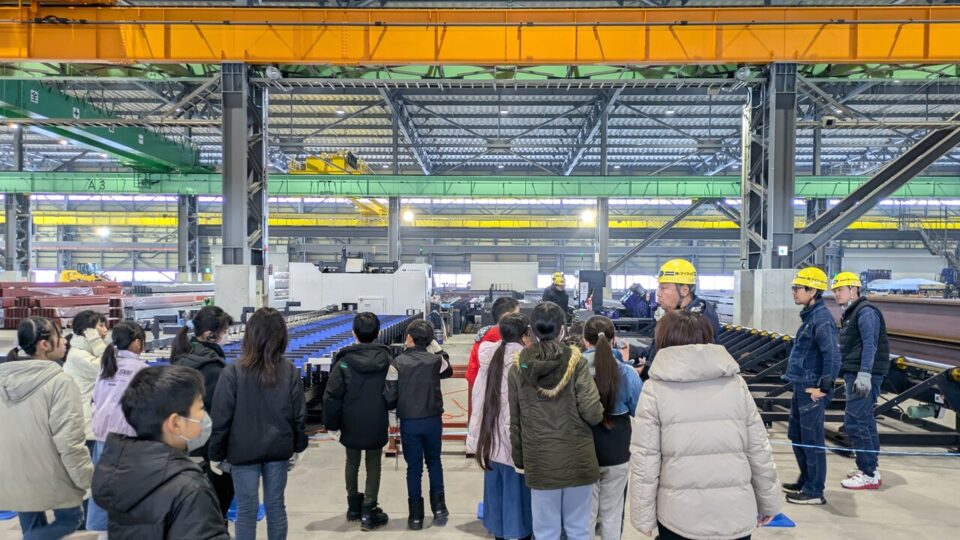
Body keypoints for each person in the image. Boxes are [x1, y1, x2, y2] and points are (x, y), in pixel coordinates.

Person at [629, 310, 781, 540]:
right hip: (735, 513)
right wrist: (769, 502)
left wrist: (643, 516)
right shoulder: (736, 384)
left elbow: (646, 459)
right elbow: (758, 449)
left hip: (679, 516)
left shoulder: (654, 389)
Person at [92, 365, 229, 539]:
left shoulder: (121, 473)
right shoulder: (190, 488)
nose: (204, 417)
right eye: (201, 409)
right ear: (176, 423)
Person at [209, 307, 309, 540]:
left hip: (242, 451)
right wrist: (299, 446)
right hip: (278, 449)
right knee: (276, 506)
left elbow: (221, 418)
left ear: (250, 335)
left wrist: (216, 453)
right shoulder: (288, 371)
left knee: (246, 509)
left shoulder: (233, 372)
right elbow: (298, 415)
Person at [508, 302, 604, 540]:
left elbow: (515, 422)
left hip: (539, 461)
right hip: (577, 459)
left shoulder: (518, 368)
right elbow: (593, 413)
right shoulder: (577, 363)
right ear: (562, 330)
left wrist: (520, 461)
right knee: (578, 530)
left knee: (545, 532)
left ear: (532, 330)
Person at [0, 317, 92, 539]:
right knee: (72, 518)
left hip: (12, 471)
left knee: (32, 524)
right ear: (44, 345)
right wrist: (86, 479)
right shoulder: (60, 382)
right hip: (50, 472)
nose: (65, 341)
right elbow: (69, 441)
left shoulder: (5, 379)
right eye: (59, 336)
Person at [466, 313, 534, 540]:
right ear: (525, 334)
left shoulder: (489, 355)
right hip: (515, 443)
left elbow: (477, 399)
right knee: (518, 502)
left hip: (491, 440)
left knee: (496, 497)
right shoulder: (524, 361)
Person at [322, 312, 392, 531]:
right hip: (377, 419)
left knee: (352, 462)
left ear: (354, 333)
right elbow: (393, 391)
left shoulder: (344, 362)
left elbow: (332, 396)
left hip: (350, 421)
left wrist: (332, 425)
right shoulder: (387, 360)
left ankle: (353, 507)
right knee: (374, 463)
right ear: (378, 333)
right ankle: (369, 510)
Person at [384, 319, 454, 530]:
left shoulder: (397, 363)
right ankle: (439, 508)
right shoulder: (435, 361)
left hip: (410, 422)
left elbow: (390, 397)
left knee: (414, 468)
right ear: (430, 340)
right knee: (434, 462)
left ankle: (415, 516)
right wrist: (435, 346)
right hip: (433, 420)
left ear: (409, 338)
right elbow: (448, 370)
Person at [782, 267, 841, 506]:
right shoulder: (810, 316)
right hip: (801, 386)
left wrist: (824, 388)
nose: (794, 292)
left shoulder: (821, 319)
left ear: (812, 291)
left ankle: (814, 490)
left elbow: (832, 356)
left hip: (811, 389)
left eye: (798, 288)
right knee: (796, 435)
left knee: (811, 440)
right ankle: (806, 480)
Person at [170, 305, 236, 518]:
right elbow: (221, 413)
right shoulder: (212, 368)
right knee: (214, 509)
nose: (225, 337)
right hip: (207, 448)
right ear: (210, 335)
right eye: (224, 332)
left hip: (182, 446)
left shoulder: (181, 357)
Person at [86, 321, 149, 533]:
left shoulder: (106, 365)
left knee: (102, 487)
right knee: (129, 491)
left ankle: (101, 531)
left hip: (103, 437)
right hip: (128, 439)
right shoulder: (142, 370)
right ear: (137, 343)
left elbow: (96, 398)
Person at [583, 316, 642, 540]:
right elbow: (640, 410)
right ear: (614, 339)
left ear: (584, 340)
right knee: (612, 514)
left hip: (584, 451)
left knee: (586, 516)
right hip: (618, 452)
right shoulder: (627, 373)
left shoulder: (575, 370)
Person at [831, 271, 889, 490]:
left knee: (855, 422)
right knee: (864, 420)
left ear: (854, 289)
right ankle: (870, 468)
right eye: (835, 291)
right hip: (854, 372)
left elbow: (869, 345)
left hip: (863, 375)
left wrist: (865, 373)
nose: (836, 294)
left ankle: (868, 473)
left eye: (840, 290)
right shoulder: (852, 313)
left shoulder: (866, 313)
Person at [627, 259, 721, 374]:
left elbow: (684, 370)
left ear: (684, 290)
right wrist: (631, 351)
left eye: (664, 288)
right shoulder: (678, 315)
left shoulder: (695, 324)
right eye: (659, 288)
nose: (658, 294)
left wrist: (644, 370)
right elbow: (659, 353)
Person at [62, 310, 108, 527]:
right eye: (100, 326)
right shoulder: (79, 355)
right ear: (87, 331)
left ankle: (86, 516)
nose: (105, 330)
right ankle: (84, 518)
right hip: (85, 423)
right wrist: (97, 342)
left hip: (91, 420)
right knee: (88, 474)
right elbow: (107, 367)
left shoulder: (85, 351)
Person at [465, 297, 521, 387]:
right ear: (507, 316)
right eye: (517, 315)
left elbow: (472, 372)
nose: (520, 319)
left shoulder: (483, 335)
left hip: (481, 388)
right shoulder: (501, 338)